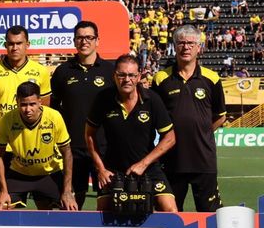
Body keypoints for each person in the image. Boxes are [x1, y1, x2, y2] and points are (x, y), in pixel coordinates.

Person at [85, 55, 177, 212]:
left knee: (170, 210)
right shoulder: (103, 99)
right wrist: (100, 169)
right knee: (102, 212)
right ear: (114, 76)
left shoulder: (152, 100)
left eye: (131, 75)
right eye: (122, 75)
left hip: (148, 169)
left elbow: (170, 138)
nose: (126, 79)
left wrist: (143, 164)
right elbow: (89, 134)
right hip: (113, 169)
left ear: (139, 76)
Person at [151, 25, 226, 212]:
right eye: (181, 43)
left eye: (191, 43)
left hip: (203, 159)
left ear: (199, 47)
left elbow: (220, 116)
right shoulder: (160, 78)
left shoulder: (212, 78)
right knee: (170, 215)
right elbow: (154, 117)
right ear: (174, 46)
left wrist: (202, 131)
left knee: (209, 214)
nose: (186, 47)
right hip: (171, 160)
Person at [50, 21, 115, 209]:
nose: (84, 41)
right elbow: (53, 110)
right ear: (74, 41)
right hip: (72, 148)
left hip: (103, 148)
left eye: (89, 37)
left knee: (107, 205)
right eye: (80, 38)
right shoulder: (63, 71)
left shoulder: (110, 71)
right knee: (70, 206)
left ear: (97, 41)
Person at [0, 82, 77, 211]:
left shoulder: (54, 117)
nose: (28, 109)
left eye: (32, 104)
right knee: (1, 207)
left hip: (49, 173)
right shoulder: (7, 120)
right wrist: (2, 190)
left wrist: (67, 191)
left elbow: (67, 153)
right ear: (17, 101)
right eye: (23, 104)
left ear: (40, 101)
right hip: (19, 174)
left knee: (69, 208)